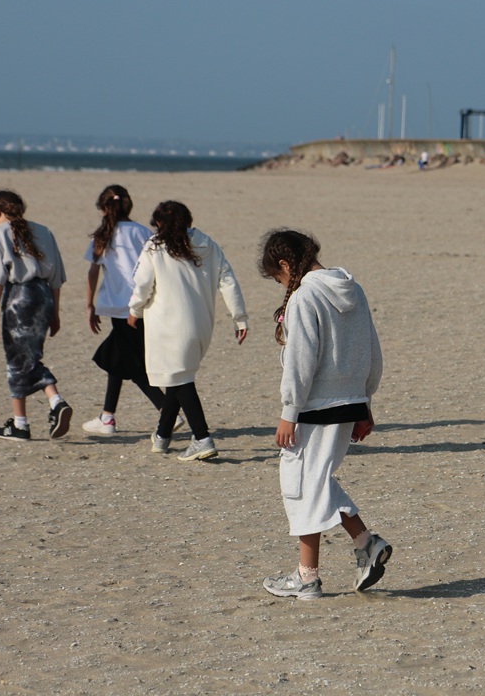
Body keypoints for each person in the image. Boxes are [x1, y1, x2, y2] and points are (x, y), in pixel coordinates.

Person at [257, 229, 388, 600]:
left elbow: (301, 362)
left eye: (278, 276)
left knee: (299, 485)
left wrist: (289, 411)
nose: (280, 283)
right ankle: (366, 544)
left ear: (285, 264)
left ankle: (307, 577)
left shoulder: (304, 298)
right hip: (349, 401)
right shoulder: (355, 290)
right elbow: (372, 351)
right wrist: (365, 400)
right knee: (315, 481)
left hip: (314, 407)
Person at [127, 201, 247, 461]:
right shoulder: (208, 245)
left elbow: (142, 283)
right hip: (200, 325)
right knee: (177, 375)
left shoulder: (154, 247)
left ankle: (202, 438)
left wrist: (134, 310)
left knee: (181, 380)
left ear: (159, 223)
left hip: (167, 325)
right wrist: (239, 317)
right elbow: (228, 280)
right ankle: (162, 436)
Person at [81, 185, 177, 437]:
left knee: (127, 361)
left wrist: (90, 305)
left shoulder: (103, 236)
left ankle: (166, 409)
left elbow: (92, 272)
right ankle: (108, 417)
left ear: (103, 209)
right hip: (145, 304)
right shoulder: (141, 232)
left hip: (118, 307)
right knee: (120, 358)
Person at [0, 190, 72, 441]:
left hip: (18, 297)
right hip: (43, 297)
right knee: (30, 357)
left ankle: (23, 423)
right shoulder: (44, 230)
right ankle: (53, 402)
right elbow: (56, 278)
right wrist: (55, 312)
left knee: (17, 360)